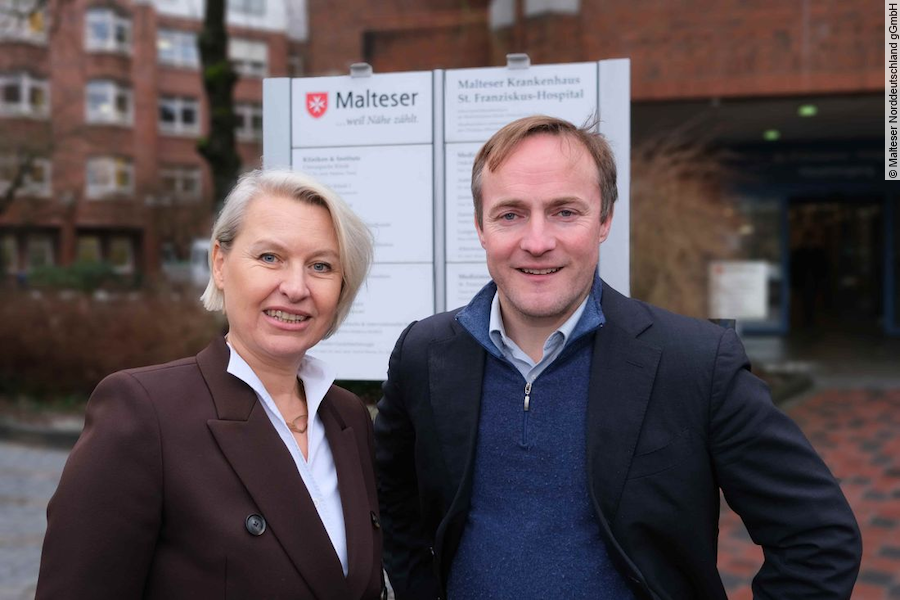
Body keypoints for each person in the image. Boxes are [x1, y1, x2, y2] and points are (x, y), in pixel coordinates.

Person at [374, 116, 861, 599]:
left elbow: (818, 539)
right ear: (481, 227)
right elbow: (392, 504)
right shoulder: (424, 354)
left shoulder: (695, 363)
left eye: (566, 212)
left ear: (604, 221)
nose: (538, 242)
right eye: (510, 214)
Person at [37, 169, 384, 599]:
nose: (296, 288)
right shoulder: (144, 414)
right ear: (220, 264)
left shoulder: (348, 417)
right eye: (270, 257)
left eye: (321, 266)